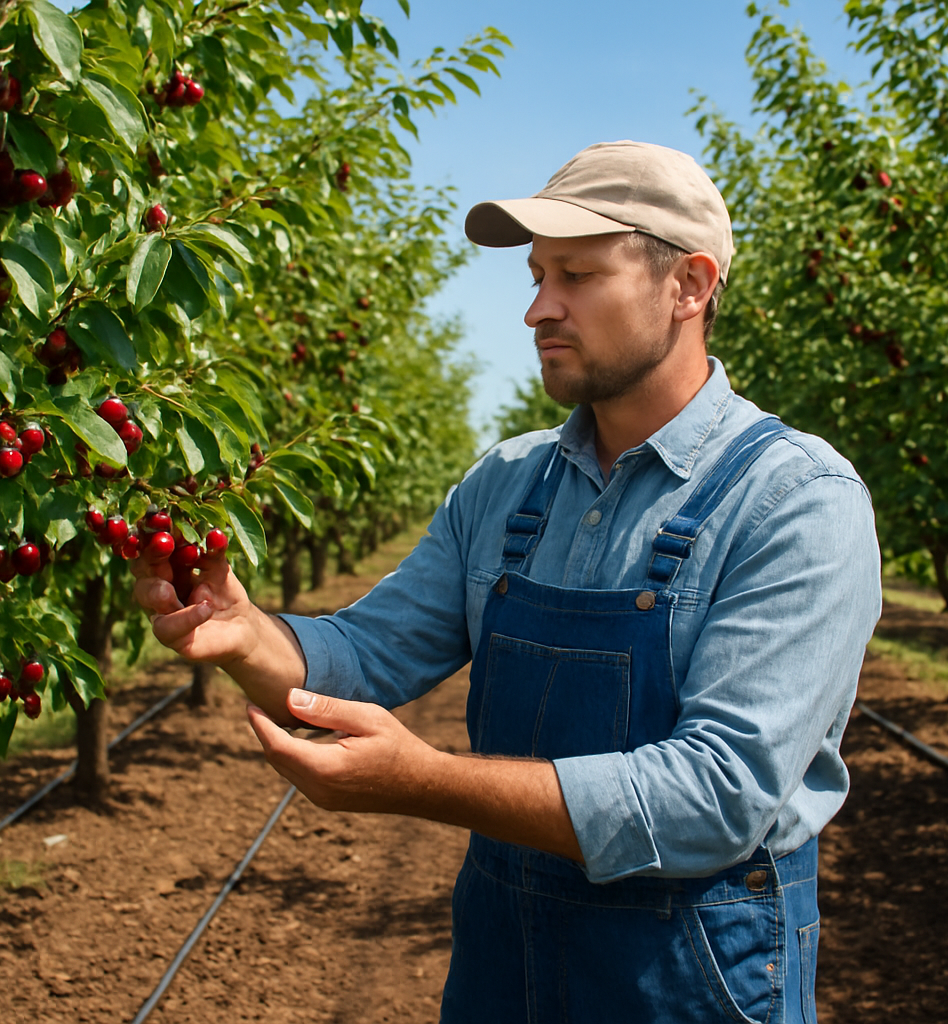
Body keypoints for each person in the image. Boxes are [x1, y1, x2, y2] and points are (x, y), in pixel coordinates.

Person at [131, 140, 882, 1024]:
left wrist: (426, 781)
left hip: (689, 983)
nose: (538, 309)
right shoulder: (508, 484)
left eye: (577, 276)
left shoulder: (794, 502)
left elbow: (715, 797)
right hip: (502, 970)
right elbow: (369, 652)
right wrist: (245, 629)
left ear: (689, 286)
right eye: (535, 277)